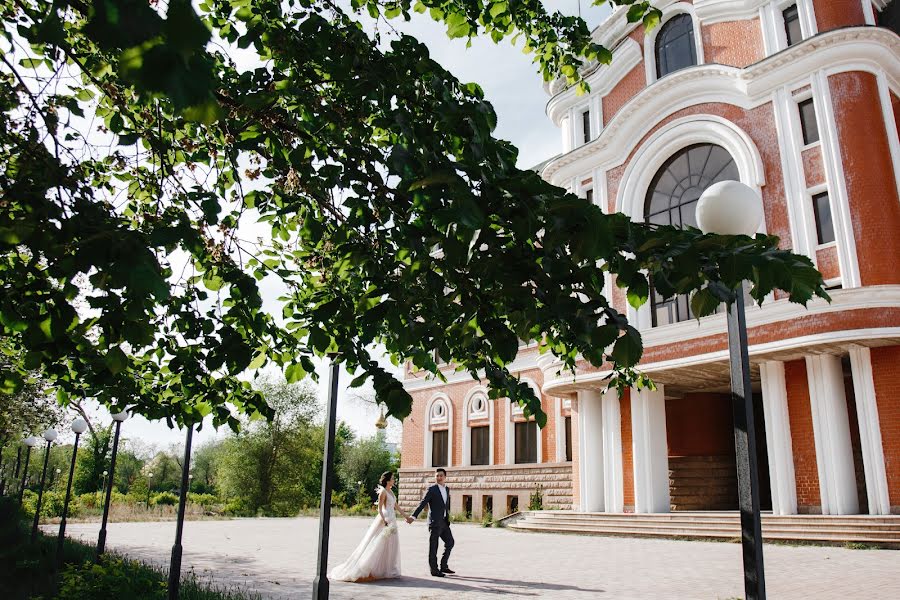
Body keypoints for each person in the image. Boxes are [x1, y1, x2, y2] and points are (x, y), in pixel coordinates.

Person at [329, 470, 412, 582]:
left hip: (392, 519)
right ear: (387, 481)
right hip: (385, 519)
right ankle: (368, 568)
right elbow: (379, 508)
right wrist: (384, 520)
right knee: (377, 544)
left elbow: (396, 506)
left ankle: (386, 569)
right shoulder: (383, 492)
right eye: (392, 478)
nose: (394, 480)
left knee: (391, 544)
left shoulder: (391, 492)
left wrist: (406, 516)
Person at [406, 467, 455, 577]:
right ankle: (434, 570)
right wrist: (413, 516)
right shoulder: (431, 489)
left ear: (445, 477)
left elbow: (445, 505)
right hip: (434, 522)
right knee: (434, 547)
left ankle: (444, 566)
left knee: (450, 542)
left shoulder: (447, 489)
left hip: (443, 522)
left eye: (441, 475)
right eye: (437, 476)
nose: (439, 477)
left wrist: (447, 516)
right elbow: (422, 503)